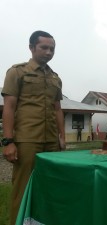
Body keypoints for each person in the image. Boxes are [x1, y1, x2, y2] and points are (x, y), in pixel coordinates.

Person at [1, 30, 65, 225]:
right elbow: (9, 108)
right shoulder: (17, 72)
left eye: (52, 49)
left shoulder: (55, 78)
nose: (48, 52)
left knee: (49, 188)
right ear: (31, 48)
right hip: (27, 140)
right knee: (22, 189)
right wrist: (8, 141)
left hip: (51, 142)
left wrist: (62, 137)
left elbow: (57, 110)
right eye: (43, 47)